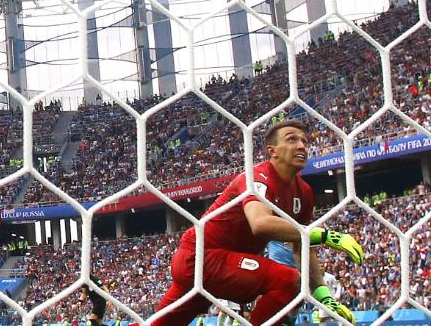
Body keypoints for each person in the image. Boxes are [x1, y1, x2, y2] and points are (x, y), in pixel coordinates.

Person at [154, 120, 363, 326]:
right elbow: (260, 223)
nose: (301, 146)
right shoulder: (257, 177)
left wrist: (324, 296)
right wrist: (327, 235)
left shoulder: (304, 193)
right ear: (272, 151)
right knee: (289, 281)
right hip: (204, 256)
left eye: (304, 141)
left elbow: (302, 247)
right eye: (291, 140)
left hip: (213, 262)